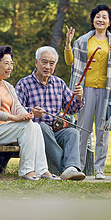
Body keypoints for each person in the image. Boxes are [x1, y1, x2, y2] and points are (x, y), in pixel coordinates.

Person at [0, 46, 60, 181]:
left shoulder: (8, 86)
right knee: (27, 127)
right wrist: (13, 117)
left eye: (11, 64)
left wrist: (28, 114)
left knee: (35, 126)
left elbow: (18, 107)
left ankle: (42, 169)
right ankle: (26, 170)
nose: (10, 67)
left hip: (7, 130)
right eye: (6, 63)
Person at [65, 3, 111, 180]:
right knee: (82, 130)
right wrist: (68, 45)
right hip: (85, 90)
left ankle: (99, 168)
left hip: (106, 92)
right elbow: (71, 62)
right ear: (93, 20)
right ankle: (78, 166)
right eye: (97, 17)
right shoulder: (83, 40)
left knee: (102, 131)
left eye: (104, 17)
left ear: (110, 22)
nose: (100, 20)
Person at [15, 46, 86, 181]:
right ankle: (67, 169)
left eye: (51, 63)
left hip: (56, 130)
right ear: (36, 62)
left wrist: (79, 98)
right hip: (35, 132)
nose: (48, 66)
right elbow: (16, 109)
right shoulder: (24, 84)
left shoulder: (59, 83)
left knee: (73, 133)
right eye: (44, 62)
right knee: (42, 127)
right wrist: (31, 111)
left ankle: (71, 167)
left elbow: (71, 109)